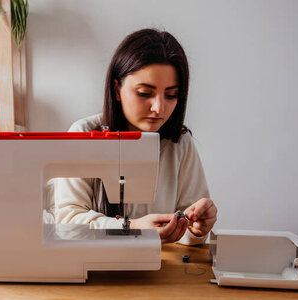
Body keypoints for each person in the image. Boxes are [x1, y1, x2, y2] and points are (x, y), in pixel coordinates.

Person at [54, 28, 217, 245]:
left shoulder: (179, 143)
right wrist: (132, 228)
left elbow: (189, 234)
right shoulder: (83, 134)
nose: (159, 108)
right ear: (116, 89)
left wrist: (198, 228)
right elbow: (68, 222)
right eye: (144, 93)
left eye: (171, 95)